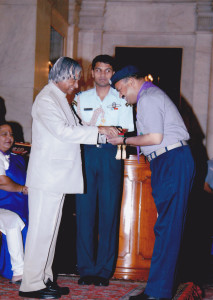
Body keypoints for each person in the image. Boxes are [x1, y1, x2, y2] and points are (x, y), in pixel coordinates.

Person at [19, 56, 119, 299]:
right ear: (64, 76)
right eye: (75, 78)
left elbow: (78, 124)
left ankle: (44, 279)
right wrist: (98, 131)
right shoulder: (46, 99)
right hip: (47, 177)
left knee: (51, 232)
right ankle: (31, 285)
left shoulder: (58, 98)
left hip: (57, 177)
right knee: (41, 231)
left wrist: (101, 128)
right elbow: (64, 132)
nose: (77, 84)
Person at [108, 65, 195, 300]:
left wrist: (123, 139)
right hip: (167, 161)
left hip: (171, 160)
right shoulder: (148, 97)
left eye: (120, 90)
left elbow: (154, 137)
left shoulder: (149, 97)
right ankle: (158, 290)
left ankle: (158, 293)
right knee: (166, 228)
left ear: (130, 82)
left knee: (167, 229)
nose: (120, 96)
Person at [73, 54, 134, 286]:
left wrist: (107, 129)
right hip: (86, 155)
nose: (102, 75)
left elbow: (127, 129)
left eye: (108, 70)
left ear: (113, 73)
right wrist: (103, 127)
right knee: (84, 213)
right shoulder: (79, 98)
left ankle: (103, 271)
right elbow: (74, 126)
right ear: (91, 73)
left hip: (111, 155)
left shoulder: (122, 99)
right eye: (98, 70)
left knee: (108, 213)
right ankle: (86, 268)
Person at [0, 122, 28, 284]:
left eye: (11, 134)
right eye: (4, 134)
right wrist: (23, 189)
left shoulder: (16, 158)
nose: (9, 138)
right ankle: (18, 272)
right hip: (3, 206)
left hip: (16, 207)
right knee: (12, 221)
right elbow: (2, 182)